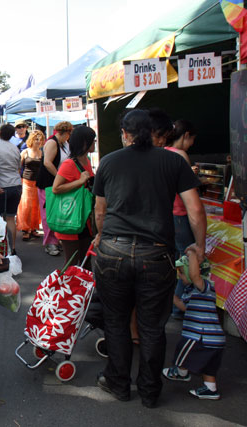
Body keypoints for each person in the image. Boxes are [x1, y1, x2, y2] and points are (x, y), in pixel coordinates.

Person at [92, 109, 206, 409]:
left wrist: (102, 236)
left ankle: (118, 383)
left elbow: (100, 211)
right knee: (152, 326)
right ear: (156, 133)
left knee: (116, 321)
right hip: (156, 253)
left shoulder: (109, 161)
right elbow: (195, 210)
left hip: (113, 251)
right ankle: (150, 391)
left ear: (126, 134)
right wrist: (200, 247)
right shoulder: (173, 161)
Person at [162, 249, 224, 400]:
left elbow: (195, 276)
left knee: (182, 351)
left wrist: (192, 255)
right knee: (209, 367)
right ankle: (211, 389)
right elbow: (184, 307)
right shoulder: (192, 290)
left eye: (182, 272)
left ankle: (180, 372)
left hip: (199, 335)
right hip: (215, 339)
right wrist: (171, 295)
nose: (180, 276)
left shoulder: (203, 286)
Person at [165, 119, 197, 318]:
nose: (192, 143)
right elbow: (190, 197)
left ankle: (173, 304)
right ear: (185, 136)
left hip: (167, 214)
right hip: (180, 214)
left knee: (174, 262)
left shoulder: (162, 152)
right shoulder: (180, 156)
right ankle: (179, 306)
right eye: (192, 139)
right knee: (185, 261)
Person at [51, 126, 96, 268]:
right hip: (71, 219)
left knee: (85, 261)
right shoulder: (69, 164)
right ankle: (66, 289)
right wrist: (80, 181)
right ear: (84, 143)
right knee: (72, 262)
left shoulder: (86, 160)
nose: (94, 143)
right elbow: (56, 188)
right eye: (92, 141)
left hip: (85, 219)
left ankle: (83, 289)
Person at [36, 121, 73, 256]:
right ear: (66, 132)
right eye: (70, 133)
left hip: (58, 182)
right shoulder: (52, 142)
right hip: (48, 182)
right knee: (48, 213)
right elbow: (47, 162)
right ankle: (50, 242)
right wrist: (59, 176)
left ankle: (56, 239)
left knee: (57, 212)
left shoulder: (64, 144)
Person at [0, 123, 22, 254]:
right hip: (15, 185)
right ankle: (12, 249)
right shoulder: (15, 148)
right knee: (11, 218)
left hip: (0, 187)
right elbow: (19, 167)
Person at [17, 130, 45, 241]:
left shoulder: (42, 153)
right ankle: (25, 228)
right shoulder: (25, 152)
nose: (38, 141)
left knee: (36, 206)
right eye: (36, 139)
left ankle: (33, 228)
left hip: (38, 182)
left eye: (40, 139)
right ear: (31, 140)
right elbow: (18, 167)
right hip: (26, 182)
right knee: (26, 205)